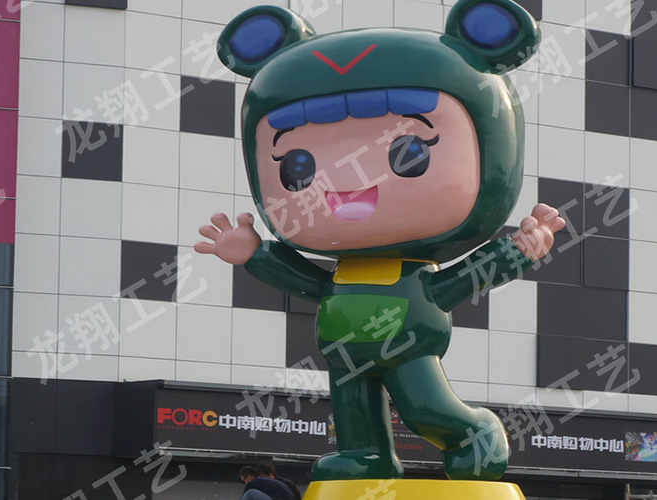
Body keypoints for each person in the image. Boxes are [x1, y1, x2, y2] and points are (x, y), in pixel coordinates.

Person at [197, 0, 564, 482]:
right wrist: (254, 253)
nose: (347, 185)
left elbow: (467, 277)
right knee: (352, 407)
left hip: (408, 341)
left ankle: (473, 432)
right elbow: (307, 281)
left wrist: (518, 251)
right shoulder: (341, 273)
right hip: (343, 346)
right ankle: (366, 454)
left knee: (425, 407)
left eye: (409, 153)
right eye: (297, 166)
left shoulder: (418, 276)